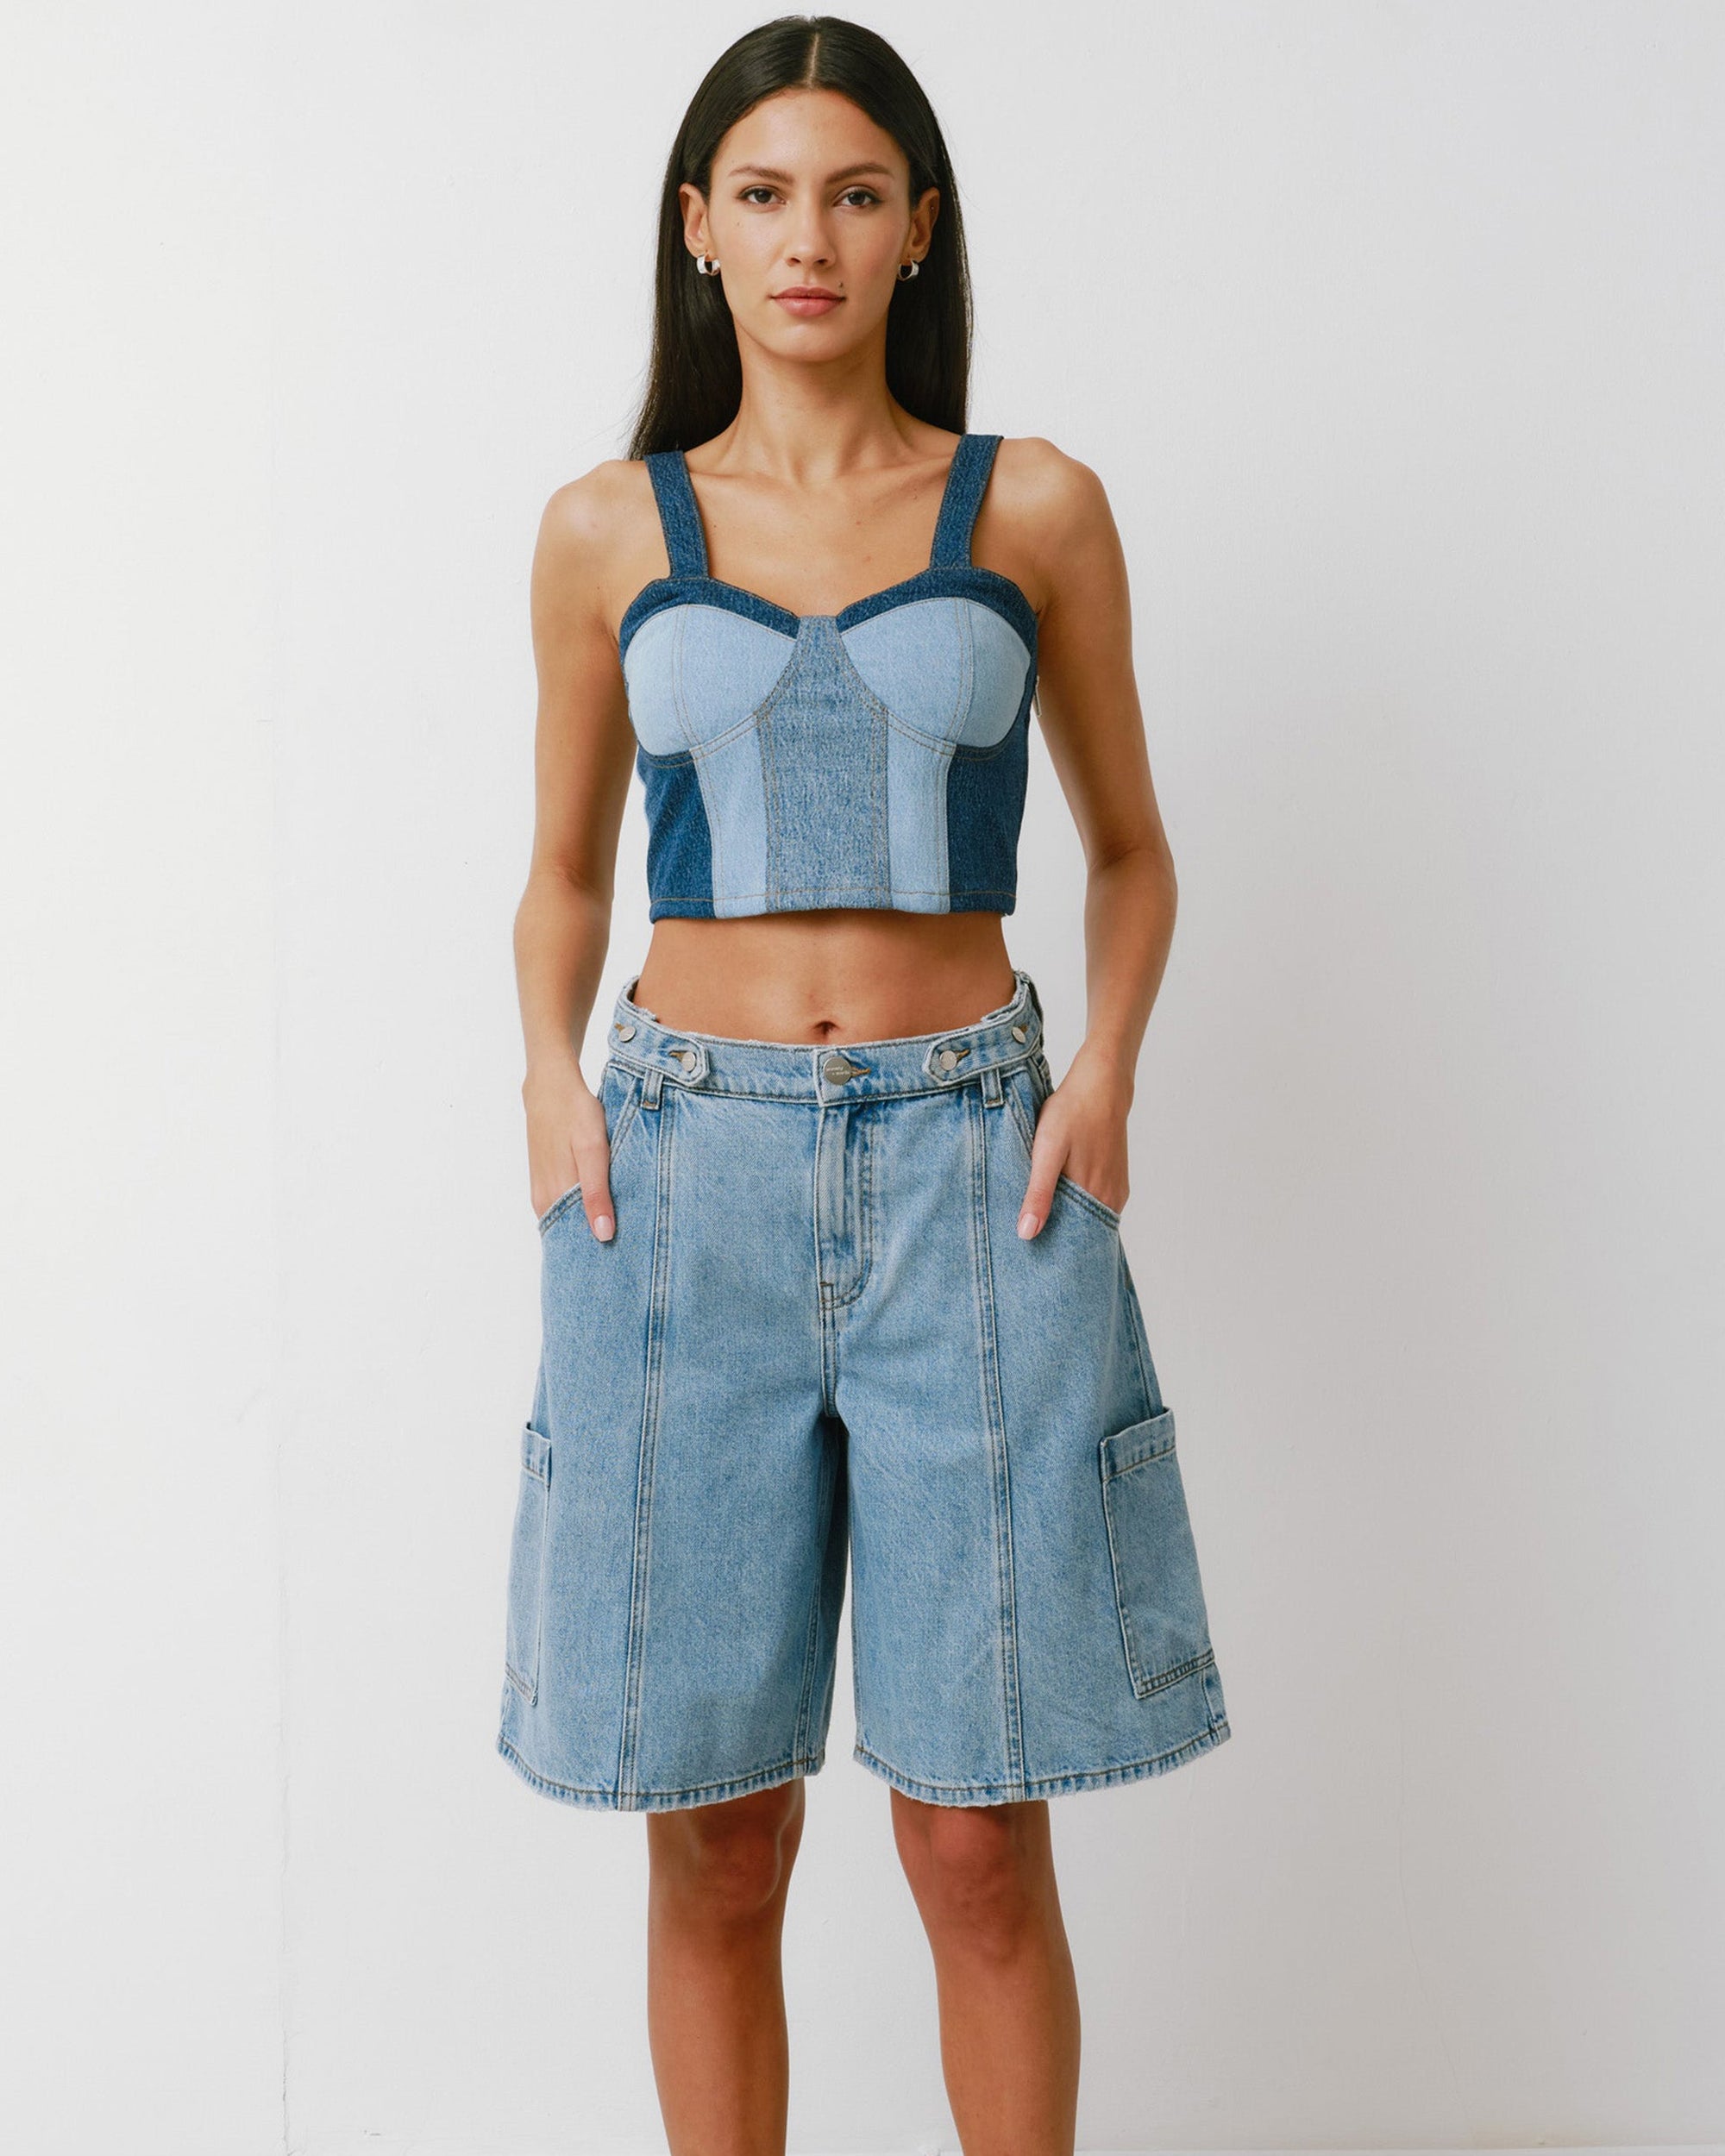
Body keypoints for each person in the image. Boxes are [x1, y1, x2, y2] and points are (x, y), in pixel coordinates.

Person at [497, 16, 1231, 2150]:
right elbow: (563, 872)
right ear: (697, 231)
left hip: (976, 1176)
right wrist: (546, 1079)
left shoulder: (1037, 506)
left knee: (976, 1831)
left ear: (919, 228)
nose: (804, 236)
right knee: (717, 1833)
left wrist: (1103, 1070)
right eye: (761, 193)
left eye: (850, 192)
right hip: (679, 1181)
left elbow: (1132, 848)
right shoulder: (604, 530)